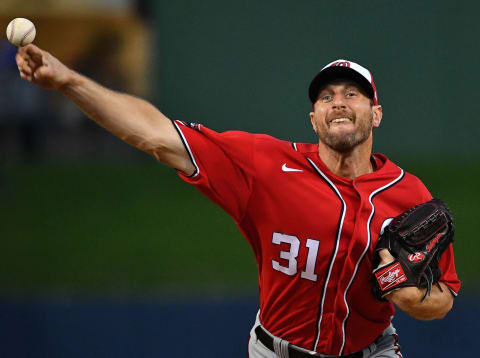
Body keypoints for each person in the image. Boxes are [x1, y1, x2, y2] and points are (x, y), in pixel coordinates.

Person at [16, 45, 460, 358]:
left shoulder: (409, 194)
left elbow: (442, 300)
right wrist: (69, 81)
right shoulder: (266, 166)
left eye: (351, 94)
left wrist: (406, 293)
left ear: (375, 112)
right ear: (313, 117)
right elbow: (154, 134)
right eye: (325, 96)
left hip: (373, 351)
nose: (337, 102)